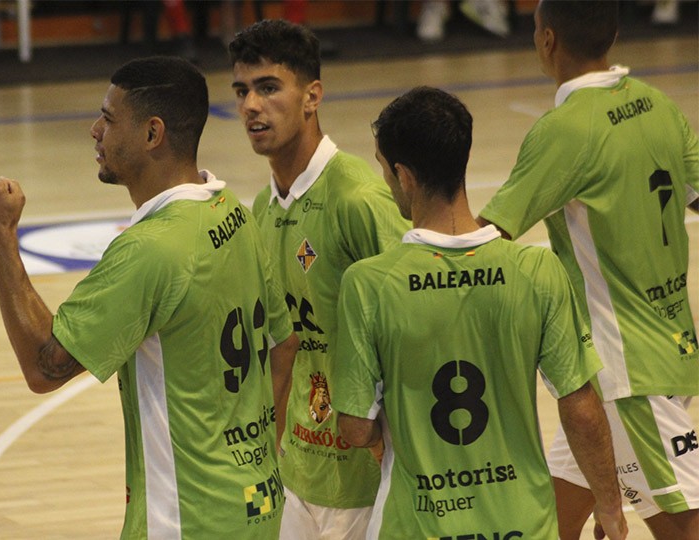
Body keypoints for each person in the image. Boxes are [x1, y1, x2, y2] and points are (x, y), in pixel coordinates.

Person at [0, 55, 299, 539]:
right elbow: (283, 344)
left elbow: (45, 366)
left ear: (152, 134)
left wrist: (0, 239)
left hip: (186, 521)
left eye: (107, 118)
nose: (94, 131)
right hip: (257, 503)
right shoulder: (235, 213)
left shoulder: (150, 250)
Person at [332, 86, 627, 539]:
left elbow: (353, 428)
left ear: (404, 175)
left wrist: (381, 437)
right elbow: (581, 406)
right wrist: (609, 503)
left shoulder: (369, 283)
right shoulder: (537, 270)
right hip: (523, 526)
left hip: (418, 527)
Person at [476, 1, 699, 538]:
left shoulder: (564, 131)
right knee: (552, 520)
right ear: (614, 33)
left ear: (547, 40)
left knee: (686, 525)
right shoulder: (658, 104)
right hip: (666, 347)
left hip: (625, 369)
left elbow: (488, 238)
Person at [228, 19, 409, 539]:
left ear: (312, 96)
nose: (251, 106)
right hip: (295, 472)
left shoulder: (358, 199)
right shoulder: (263, 207)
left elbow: (420, 316)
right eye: (242, 91)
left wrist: (385, 437)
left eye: (268, 88)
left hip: (366, 476)